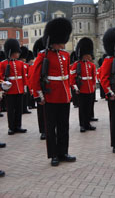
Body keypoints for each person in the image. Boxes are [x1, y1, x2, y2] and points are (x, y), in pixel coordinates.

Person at [31, 18, 76, 166]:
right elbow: (35, 77)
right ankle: (54, 154)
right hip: (50, 96)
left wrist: (69, 92)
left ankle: (63, 152)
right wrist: (39, 95)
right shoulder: (43, 56)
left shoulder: (65, 55)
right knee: (51, 127)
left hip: (64, 96)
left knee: (64, 126)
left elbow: (67, 76)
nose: (62, 43)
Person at [0, 39, 27, 135]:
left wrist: (24, 87)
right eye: (17, 52)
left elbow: (23, 77)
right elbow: (0, 77)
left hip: (19, 89)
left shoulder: (20, 63)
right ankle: (11, 127)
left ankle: (18, 126)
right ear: (12, 52)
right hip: (10, 90)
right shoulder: (3, 64)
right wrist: (4, 87)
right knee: (10, 110)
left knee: (19, 109)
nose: (18, 54)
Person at [70, 37, 97, 133]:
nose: (88, 56)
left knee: (89, 108)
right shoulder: (76, 65)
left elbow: (94, 77)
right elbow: (72, 78)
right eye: (86, 55)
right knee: (82, 108)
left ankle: (87, 123)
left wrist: (93, 85)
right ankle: (82, 125)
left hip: (90, 89)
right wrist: (76, 88)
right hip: (81, 89)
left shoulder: (91, 65)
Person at [30, 38, 46, 139]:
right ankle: (43, 130)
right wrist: (39, 95)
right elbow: (33, 80)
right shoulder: (36, 64)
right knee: (41, 112)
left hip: (50, 90)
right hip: (41, 90)